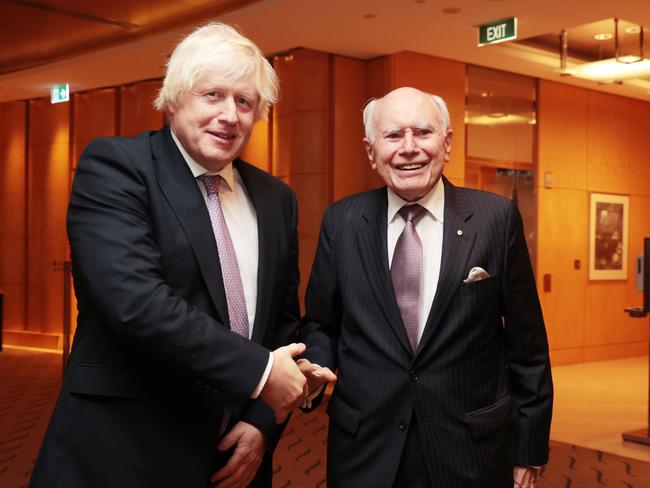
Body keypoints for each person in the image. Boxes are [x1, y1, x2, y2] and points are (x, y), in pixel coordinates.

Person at [30, 23, 308, 488]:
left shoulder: (277, 198)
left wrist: (262, 421)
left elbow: (282, 324)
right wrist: (261, 373)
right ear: (175, 98)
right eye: (213, 95)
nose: (230, 115)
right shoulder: (118, 167)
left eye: (244, 102)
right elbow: (136, 303)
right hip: (125, 451)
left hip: (235, 458)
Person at [298, 87, 553, 488]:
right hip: (366, 448)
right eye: (394, 135)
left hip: (470, 450)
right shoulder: (341, 222)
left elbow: (528, 346)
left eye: (422, 132)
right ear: (371, 150)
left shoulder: (495, 219)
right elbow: (321, 323)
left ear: (446, 142)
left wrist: (530, 446)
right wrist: (316, 365)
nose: (409, 148)